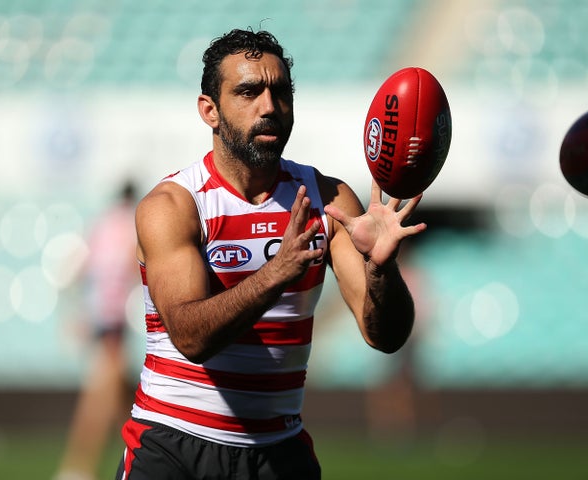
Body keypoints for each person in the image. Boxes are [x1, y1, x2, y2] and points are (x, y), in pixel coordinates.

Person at [115, 28, 426, 480]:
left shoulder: (328, 198)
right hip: (172, 445)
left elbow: (386, 336)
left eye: (280, 92)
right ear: (210, 111)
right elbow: (191, 337)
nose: (268, 107)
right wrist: (275, 273)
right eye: (247, 92)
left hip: (277, 453)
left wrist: (382, 268)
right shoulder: (175, 205)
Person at [55, 180, 139, 480]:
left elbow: (79, 270)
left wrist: (77, 313)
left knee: (116, 392)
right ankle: (79, 466)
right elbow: (135, 267)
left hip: (98, 316)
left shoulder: (102, 224)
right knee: (101, 393)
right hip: (114, 319)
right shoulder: (132, 224)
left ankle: (135, 454)